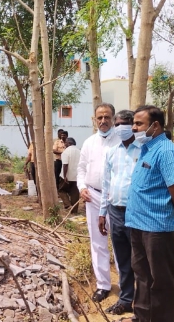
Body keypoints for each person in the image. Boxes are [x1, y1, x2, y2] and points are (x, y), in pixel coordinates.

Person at [121, 105, 174, 322]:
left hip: (157, 227)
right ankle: (142, 317)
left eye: (139, 123)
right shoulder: (146, 149)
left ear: (156, 125)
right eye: (133, 123)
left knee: (161, 280)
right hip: (138, 224)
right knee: (142, 276)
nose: (133, 128)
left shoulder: (167, 152)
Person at [77, 103, 121, 303]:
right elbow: (81, 169)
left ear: (113, 119)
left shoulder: (122, 141)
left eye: (107, 117)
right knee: (98, 243)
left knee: (121, 243)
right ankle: (103, 285)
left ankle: (125, 285)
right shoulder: (88, 143)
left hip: (117, 199)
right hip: (93, 197)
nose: (103, 121)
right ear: (94, 120)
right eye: (99, 118)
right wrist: (81, 188)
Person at [98, 110, 139, 315]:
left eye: (127, 123)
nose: (122, 127)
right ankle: (125, 299)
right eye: (119, 123)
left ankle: (143, 303)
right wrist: (102, 213)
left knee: (139, 259)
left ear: (134, 125)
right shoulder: (112, 152)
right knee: (122, 258)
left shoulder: (143, 151)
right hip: (115, 211)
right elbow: (106, 185)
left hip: (137, 213)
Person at [59, 137, 80, 211]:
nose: (64, 144)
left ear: (69, 143)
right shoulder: (79, 151)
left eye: (66, 143)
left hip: (67, 175)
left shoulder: (66, 152)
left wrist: (65, 176)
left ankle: (67, 205)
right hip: (77, 176)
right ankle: (74, 210)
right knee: (75, 192)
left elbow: (65, 165)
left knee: (61, 190)